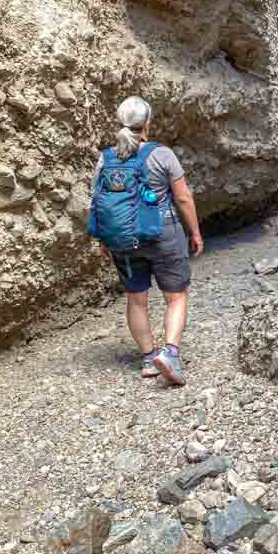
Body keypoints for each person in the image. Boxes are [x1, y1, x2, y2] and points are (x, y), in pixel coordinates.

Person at [92, 96, 204, 386]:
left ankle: (147, 358)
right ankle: (169, 354)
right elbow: (182, 197)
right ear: (147, 124)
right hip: (163, 235)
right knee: (176, 296)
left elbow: (97, 200)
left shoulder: (106, 157)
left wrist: (105, 237)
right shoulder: (161, 154)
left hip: (123, 241)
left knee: (136, 300)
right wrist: (194, 232)